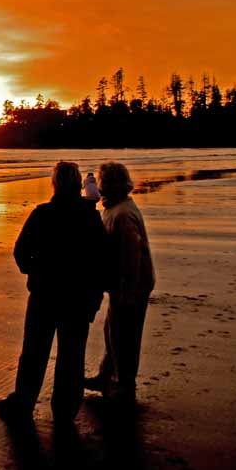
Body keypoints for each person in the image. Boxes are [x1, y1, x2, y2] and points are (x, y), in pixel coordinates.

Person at [0, 161, 109, 424]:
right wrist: (95, 294)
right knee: (72, 353)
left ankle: (23, 403)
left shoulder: (42, 214)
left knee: (34, 352)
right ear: (78, 183)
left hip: (45, 295)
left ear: (55, 183)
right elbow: (102, 258)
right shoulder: (90, 216)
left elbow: (21, 252)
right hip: (79, 298)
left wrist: (35, 271)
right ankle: (65, 410)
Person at [85, 162, 155, 404]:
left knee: (125, 335)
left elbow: (131, 255)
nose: (100, 187)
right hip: (124, 282)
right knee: (113, 331)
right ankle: (106, 376)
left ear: (111, 184)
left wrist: (127, 290)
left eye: (103, 182)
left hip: (131, 283)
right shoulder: (116, 208)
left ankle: (124, 385)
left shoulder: (122, 214)